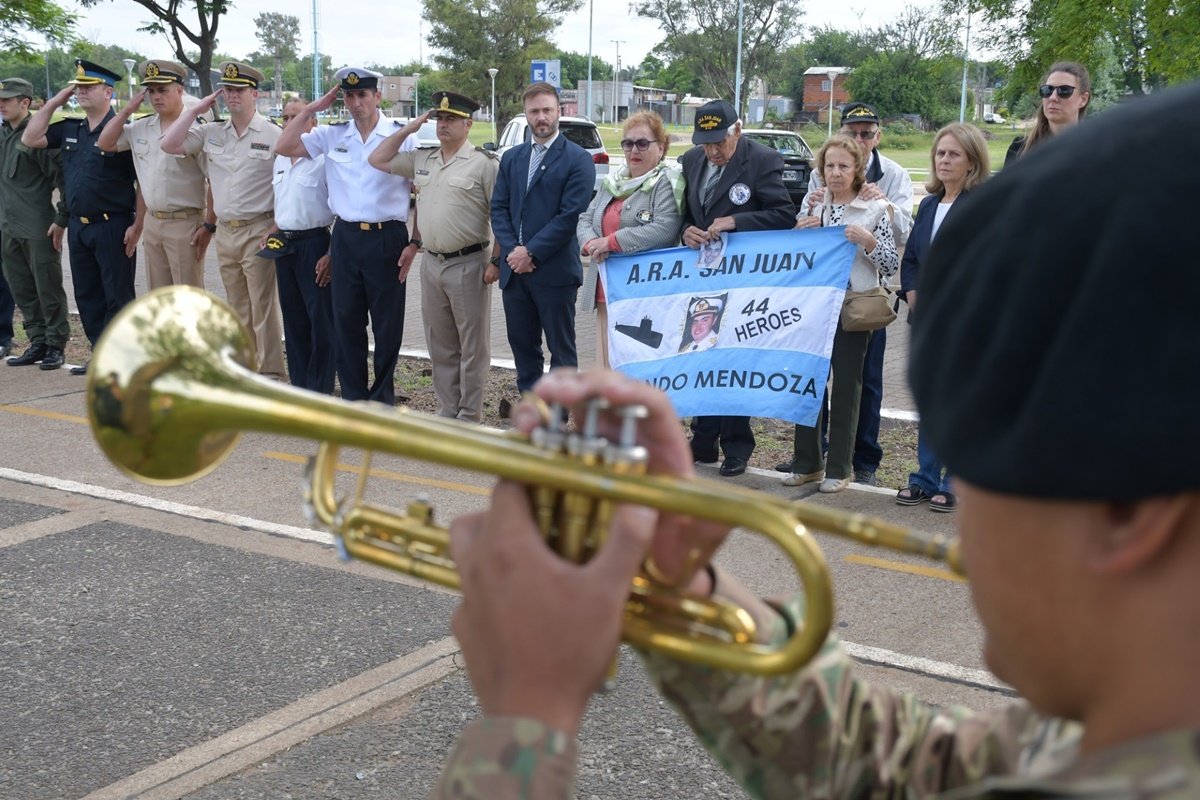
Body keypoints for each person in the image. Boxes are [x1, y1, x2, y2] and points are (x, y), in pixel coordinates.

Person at [429, 80, 1200, 798]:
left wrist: (522, 713)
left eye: (976, 463)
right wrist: (681, 585)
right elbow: (896, 768)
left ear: (1127, 518)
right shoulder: (1134, 730)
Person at [788, 102, 913, 487]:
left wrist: (869, 241)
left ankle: (841, 468)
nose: (836, 173)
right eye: (830, 166)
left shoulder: (874, 207)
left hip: (853, 307)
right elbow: (795, 258)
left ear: (858, 168)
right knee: (806, 383)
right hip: (814, 307)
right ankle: (807, 461)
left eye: (844, 166)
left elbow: (891, 263)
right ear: (820, 171)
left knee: (846, 387)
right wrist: (800, 234)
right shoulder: (814, 206)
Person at [276, 67, 416, 405]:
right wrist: (310, 110)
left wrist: (416, 241)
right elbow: (283, 146)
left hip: (388, 238)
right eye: (349, 96)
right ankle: (354, 399)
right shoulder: (332, 134)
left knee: (387, 327)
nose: (355, 103)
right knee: (346, 324)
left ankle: (381, 399)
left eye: (362, 95)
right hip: (346, 238)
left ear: (377, 96)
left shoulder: (400, 135)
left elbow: (422, 190)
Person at [678, 99, 795, 477]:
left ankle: (737, 446)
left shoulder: (762, 160)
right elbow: (684, 213)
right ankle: (703, 439)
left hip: (745, 280)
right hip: (704, 277)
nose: (712, 151)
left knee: (733, 361)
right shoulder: (692, 161)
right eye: (706, 143)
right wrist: (685, 231)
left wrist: (735, 221)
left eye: (719, 143)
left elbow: (783, 215)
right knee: (702, 355)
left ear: (738, 130)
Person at [368, 90, 499, 422]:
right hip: (432, 264)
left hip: (469, 263)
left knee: (472, 348)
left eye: (451, 119)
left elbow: (503, 217)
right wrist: (408, 130)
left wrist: (496, 260)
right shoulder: (422, 159)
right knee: (440, 346)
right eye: (440, 118)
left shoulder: (484, 164)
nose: (443, 125)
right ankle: (447, 412)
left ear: (468, 125)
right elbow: (377, 159)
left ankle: (469, 416)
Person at [160, 61, 286, 381]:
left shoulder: (272, 134)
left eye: (239, 90)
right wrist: (194, 110)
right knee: (237, 305)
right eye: (228, 90)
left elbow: (286, 183)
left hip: (259, 227)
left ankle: (270, 370)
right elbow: (169, 144)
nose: (232, 96)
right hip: (226, 232)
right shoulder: (212, 131)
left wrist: (277, 226)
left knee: (263, 306)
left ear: (254, 94)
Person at [22, 59, 142, 375]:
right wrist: (53, 103)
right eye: (79, 88)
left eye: (89, 87)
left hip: (113, 223)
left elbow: (142, 182)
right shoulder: (72, 128)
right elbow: (31, 138)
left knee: (117, 294)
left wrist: (137, 224)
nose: (81, 93)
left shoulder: (123, 132)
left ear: (108, 92)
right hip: (79, 225)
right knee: (88, 294)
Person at [896, 122, 990, 512]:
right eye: (940, 153)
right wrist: (915, 296)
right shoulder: (930, 205)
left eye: (953, 154)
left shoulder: (983, 206)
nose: (944, 160)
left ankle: (955, 481)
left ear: (971, 162)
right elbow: (912, 259)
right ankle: (924, 477)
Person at [490, 81, 594, 394]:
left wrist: (530, 253)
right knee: (524, 352)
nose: (541, 117)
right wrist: (513, 252)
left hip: (554, 274)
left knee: (561, 354)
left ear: (559, 112)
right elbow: (499, 209)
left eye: (547, 110)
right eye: (534, 111)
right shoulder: (512, 159)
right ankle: (532, 421)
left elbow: (568, 217)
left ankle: (557, 425)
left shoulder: (578, 159)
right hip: (515, 273)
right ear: (526, 114)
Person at [576, 110, 685, 368]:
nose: (634, 150)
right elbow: (584, 218)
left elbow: (665, 229)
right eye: (628, 143)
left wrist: (611, 242)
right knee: (608, 368)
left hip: (643, 295)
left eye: (642, 143)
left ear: (661, 148)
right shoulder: (612, 183)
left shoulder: (667, 183)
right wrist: (591, 242)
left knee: (639, 370)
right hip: (606, 289)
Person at [96, 59, 215, 291]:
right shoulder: (142, 127)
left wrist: (209, 225)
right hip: (153, 223)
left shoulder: (197, 130)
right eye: (151, 91)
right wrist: (127, 110)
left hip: (185, 223)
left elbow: (214, 182)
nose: (156, 96)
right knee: (159, 297)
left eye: (162, 90)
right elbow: (104, 143)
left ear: (180, 90)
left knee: (187, 297)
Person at [256, 98, 335, 394]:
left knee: (321, 323)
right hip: (284, 244)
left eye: (298, 117)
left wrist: (331, 253)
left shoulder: (323, 159)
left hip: (315, 244)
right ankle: (300, 389)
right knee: (294, 319)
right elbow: (286, 205)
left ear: (312, 123)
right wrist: (272, 229)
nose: (290, 122)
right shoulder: (279, 159)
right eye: (286, 117)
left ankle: (320, 389)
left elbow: (340, 209)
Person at [0, 77, 70, 370]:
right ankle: (37, 340)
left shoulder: (37, 136)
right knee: (22, 289)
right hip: (8, 227)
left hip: (38, 226)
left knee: (47, 287)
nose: (1, 104)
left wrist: (61, 219)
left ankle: (55, 344)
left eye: (7, 99)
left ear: (25, 103)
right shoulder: (3, 134)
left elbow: (64, 180)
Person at [1005, 61, 1091, 167]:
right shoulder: (1019, 149)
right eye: (1047, 90)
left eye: (1064, 90)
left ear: (1083, 99)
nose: (1053, 98)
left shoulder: (1098, 151)